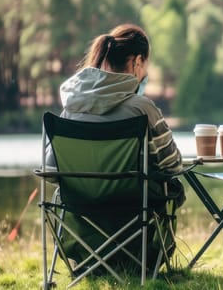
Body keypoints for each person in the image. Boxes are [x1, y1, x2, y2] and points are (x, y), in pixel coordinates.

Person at [50, 23, 184, 264]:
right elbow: (173, 166)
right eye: (146, 67)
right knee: (173, 187)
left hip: (82, 208)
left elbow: (50, 171)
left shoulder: (71, 108)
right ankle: (143, 260)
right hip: (132, 207)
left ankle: (89, 257)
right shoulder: (142, 109)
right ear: (137, 62)